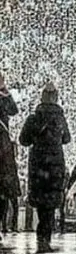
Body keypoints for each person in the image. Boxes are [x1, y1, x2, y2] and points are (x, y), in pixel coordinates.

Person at [19, 82, 71, 253]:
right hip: (55, 162)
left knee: (41, 200)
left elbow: (23, 140)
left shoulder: (34, 118)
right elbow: (67, 139)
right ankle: (45, 238)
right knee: (50, 201)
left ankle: (41, 238)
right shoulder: (60, 118)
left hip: (38, 162)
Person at [0, 76, 20, 244]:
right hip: (3, 145)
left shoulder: (2, 98)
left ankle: (3, 225)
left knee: (4, 190)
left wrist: (5, 93)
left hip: (2, 143)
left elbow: (14, 110)